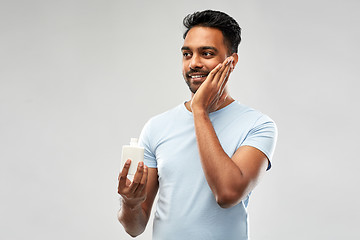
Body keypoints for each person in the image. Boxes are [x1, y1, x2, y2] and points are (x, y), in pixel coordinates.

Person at [117, 10, 277, 240]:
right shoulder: (156, 127)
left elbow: (227, 194)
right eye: (186, 54)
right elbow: (135, 227)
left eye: (207, 53)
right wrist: (130, 203)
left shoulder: (258, 125)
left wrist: (199, 110)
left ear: (231, 62)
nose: (194, 63)